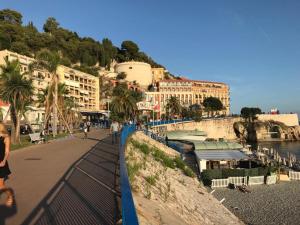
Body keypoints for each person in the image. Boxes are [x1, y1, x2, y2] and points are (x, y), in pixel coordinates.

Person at [0, 123, 13, 207]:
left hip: (1, 163)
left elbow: (7, 151)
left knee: (1, 186)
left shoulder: (5, 137)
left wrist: (4, 161)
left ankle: (9, 195)